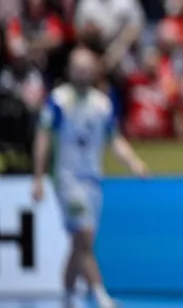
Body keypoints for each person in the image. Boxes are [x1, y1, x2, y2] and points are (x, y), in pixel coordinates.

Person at [32, 47, 149, 308]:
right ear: (69, 70)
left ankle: (66, 297)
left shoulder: (102, 104)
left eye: (87, 67)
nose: (82, 72)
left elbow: (114, 140)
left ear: (95, 70)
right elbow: (43, 138)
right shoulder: (58, 101)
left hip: (93, 181)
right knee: (83, 236)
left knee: (79, 245)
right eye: (77, 66)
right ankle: (100, 296)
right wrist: (38, 178)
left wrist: (134, 163)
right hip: (67, 179)